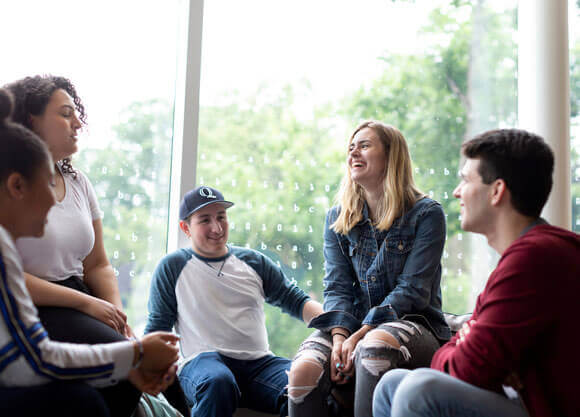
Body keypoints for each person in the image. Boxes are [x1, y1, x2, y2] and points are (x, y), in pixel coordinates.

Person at [4, 75, 189, 416]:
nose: (77, 123)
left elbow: (98, 264)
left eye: (77, 114)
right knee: (121, 376)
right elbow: (9, 281)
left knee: (171, 380)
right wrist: (90, 308)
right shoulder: (10, 198)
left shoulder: (78, 182)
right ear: (31, 120)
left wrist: (116, 317)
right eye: (64, 113)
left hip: (82, 298)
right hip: (46, 303)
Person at [372, 129, 580, 417]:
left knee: (418, 390)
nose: (457, 192)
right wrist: (479, 358)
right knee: (392, 384)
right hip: (522, 398)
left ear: (497, 191)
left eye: (466, 180)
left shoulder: (535, 257)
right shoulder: (524, 254)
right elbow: (463, 350)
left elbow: (472, 367)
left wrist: (478, 359)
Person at [287, 121, 450, 417]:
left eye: (364, 146)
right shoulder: (337, 218)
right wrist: (339, 339)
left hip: (414, 322)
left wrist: (359, 335)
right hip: (350, 326)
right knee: (303, 372)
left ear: (391, 156)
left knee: (373, 350)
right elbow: (336, 287)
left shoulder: (427, 214)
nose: (353, 154)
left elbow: (412, 292)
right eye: (351, 148)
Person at [145, 185, 324, 417]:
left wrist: (340, 330)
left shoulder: (254, 262)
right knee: (219, 382)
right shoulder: (173, 266)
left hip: (260, 364)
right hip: (202, 363)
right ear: (185, 228)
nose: (217, 227)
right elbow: (158, 327)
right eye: (205, 220)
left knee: (307, 385)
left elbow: (296, 301)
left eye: (221, 217)